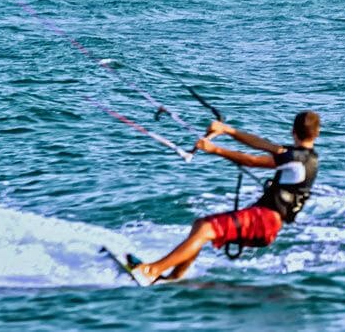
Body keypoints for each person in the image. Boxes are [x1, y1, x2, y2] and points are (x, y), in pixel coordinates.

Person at [131, 110, 321, 285]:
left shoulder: (295, 159)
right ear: (317, 133)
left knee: (206, 229)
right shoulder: (303, 156)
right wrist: (226, 130)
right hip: (265, 218)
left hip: (266, 220)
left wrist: (215, 150)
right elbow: (261, 144)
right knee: (200, 224)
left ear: (293, 131)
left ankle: (151, 270)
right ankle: (173, 278)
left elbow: (252, 161)